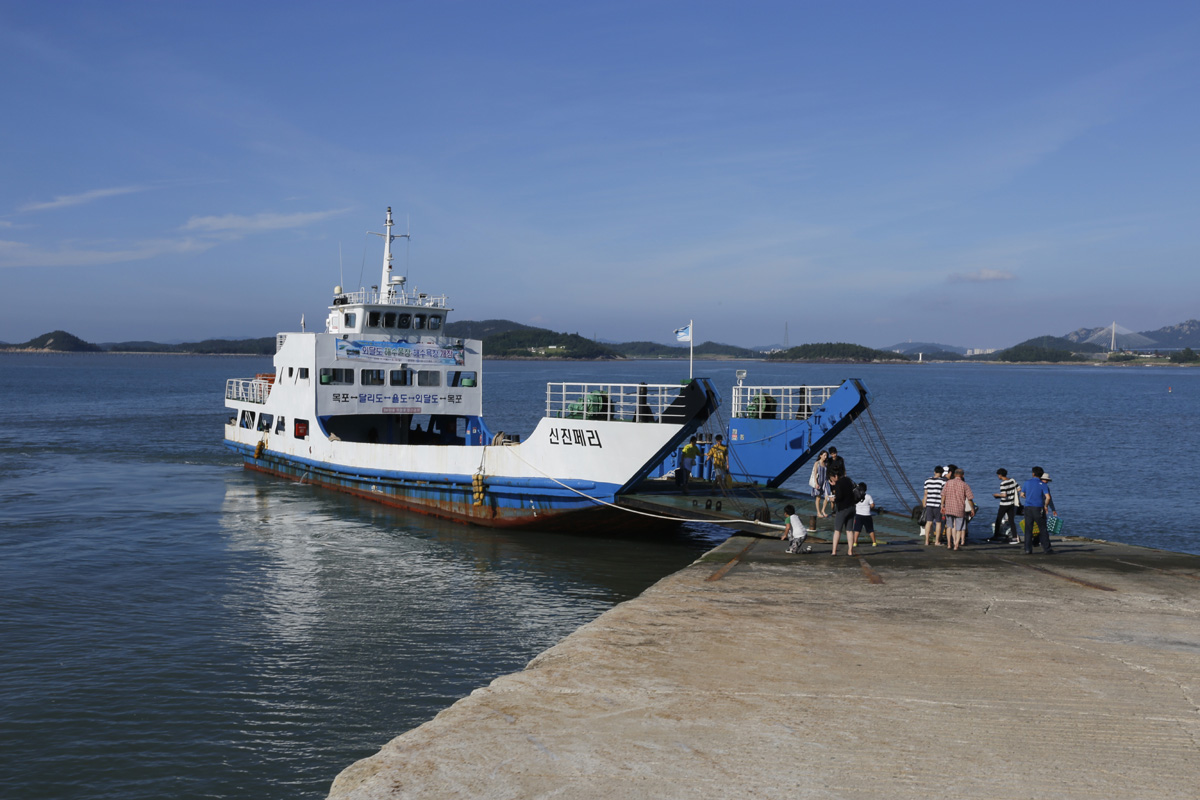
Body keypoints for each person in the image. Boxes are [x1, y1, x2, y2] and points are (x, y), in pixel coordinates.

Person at [1019, 467, 1055, 554]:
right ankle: (1047, 549)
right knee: (1042, 529)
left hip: (1028, 508)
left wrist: (1029, 498)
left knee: (1028, 529)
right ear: (1041, 475)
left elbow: (1022, 494)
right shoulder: (1043, 484)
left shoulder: (1027, 482)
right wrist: (1046, 505)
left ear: (1033, 473)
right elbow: (1048, 497)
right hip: (1038, 508)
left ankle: (1028, 549)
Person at [940, 468, 975, 551]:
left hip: (949, 507)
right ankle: (956, 545)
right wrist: (972, 509)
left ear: (954, 474)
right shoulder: (965, 485)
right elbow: (970, 498)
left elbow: (943, 495)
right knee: (959, 528)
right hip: (959, 509)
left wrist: (942, 505)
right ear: (963, 475)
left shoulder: (948, 483)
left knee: (949, 527)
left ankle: (949, 544)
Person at [830, 473, 858, 556]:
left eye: (832, 478)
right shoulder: (848, 480)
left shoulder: (839, 483)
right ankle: (850, 551)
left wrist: (832, 499)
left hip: (842, 509)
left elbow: (839, 497)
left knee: (837, 530)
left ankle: (834, 551)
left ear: (836, 476)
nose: (831, 480)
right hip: (852, 507)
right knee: (849, 530)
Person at [991, 468, 1020, 543]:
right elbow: (1019, 489)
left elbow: (1004, 495)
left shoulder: (1003, 484)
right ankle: (1014, 536)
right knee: (1011, 521)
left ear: (1000, 475)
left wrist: (997, 495)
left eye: (998, 475)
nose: (998, 476)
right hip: (1011, 504)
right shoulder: (1012, 480)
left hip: (1004, 504)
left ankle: (996, 535)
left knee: (998, 520)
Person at [921, 466, 946, 546]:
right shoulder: (943, 482)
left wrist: (924, 503)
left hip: (929, 504)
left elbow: (925, 494)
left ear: (934, 472)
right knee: (938, 523)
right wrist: (943, 505)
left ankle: (927, 541)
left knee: (928, 522)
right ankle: (937, 541)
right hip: (938, 504)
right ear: (942, 473)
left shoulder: (927, 481)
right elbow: (943, 495)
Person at [852, 482, 877, 548]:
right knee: (870, 529)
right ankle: (874, 542)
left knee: (857, 529)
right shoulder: (868, 496)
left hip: (858, 515)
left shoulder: (856, 496)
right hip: (867, 515)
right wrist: (872, 506)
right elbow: (872, 505)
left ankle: (855, 543)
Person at [809, 450, 829, 517]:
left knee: (827, 497)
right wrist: (816, 483)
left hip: (825, 482)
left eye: (826, 455)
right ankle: (818, 512)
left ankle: (823, 510)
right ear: (820, 455)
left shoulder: (826, 464)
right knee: (818, 498)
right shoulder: (817, 463)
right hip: (818, 482)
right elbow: (814, 474)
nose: (825, 457)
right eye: (824, 455)